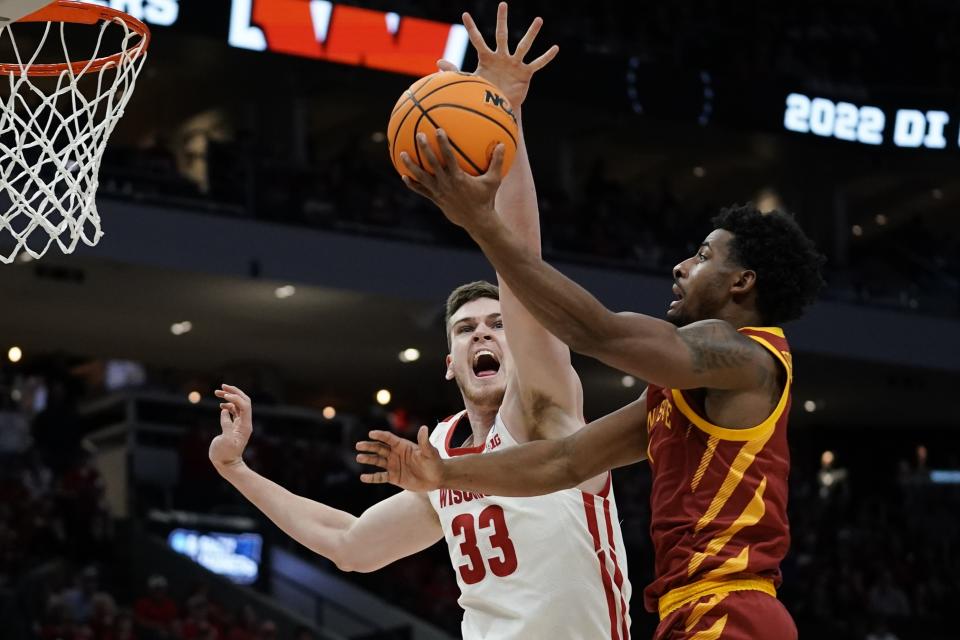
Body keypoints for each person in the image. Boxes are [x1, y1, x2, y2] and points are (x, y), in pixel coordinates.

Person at [211, 6, 631, 638]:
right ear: (449, 360)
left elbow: (523, 264)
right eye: (465, 330)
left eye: (496, 324)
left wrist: (504, 110)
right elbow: (350, 543)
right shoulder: (441, 459)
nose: (484, 333)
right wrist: (237, 470)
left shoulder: (545, 412)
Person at [356, 87, 825, 638]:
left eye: (701, 257)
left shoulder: (748, 357)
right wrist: (446, 473)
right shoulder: (677, 396)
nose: (679, 266)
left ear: (742, 282)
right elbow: (564, 462)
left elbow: (595, 331)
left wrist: (483, 225)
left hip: (732, 611)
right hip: (690, 613)